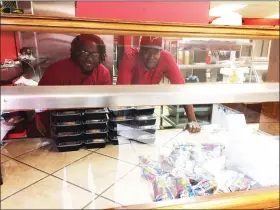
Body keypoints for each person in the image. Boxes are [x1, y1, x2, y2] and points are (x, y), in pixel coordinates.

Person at [117, 36, 200, 133]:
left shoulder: (166, 58)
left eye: (156, 52)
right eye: (146, 51)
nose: (151, 57)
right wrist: (121, 121)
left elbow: (181, 88)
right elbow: (121, 92)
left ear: (161, 52)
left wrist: (192, 120)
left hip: (148, 105)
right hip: (128, 104)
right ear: (140, 50)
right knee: (124, 135)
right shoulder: (130, 57)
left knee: (146, 136)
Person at [35, 34, 112, 136]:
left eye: (94, 55)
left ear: (100, 56)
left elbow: (105, 106)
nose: (89, 59)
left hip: (92, 130)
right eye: (85, 53)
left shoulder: (103, 73)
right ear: (76, 52)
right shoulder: (56, 71)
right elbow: (42, 104)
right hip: (61, 130)